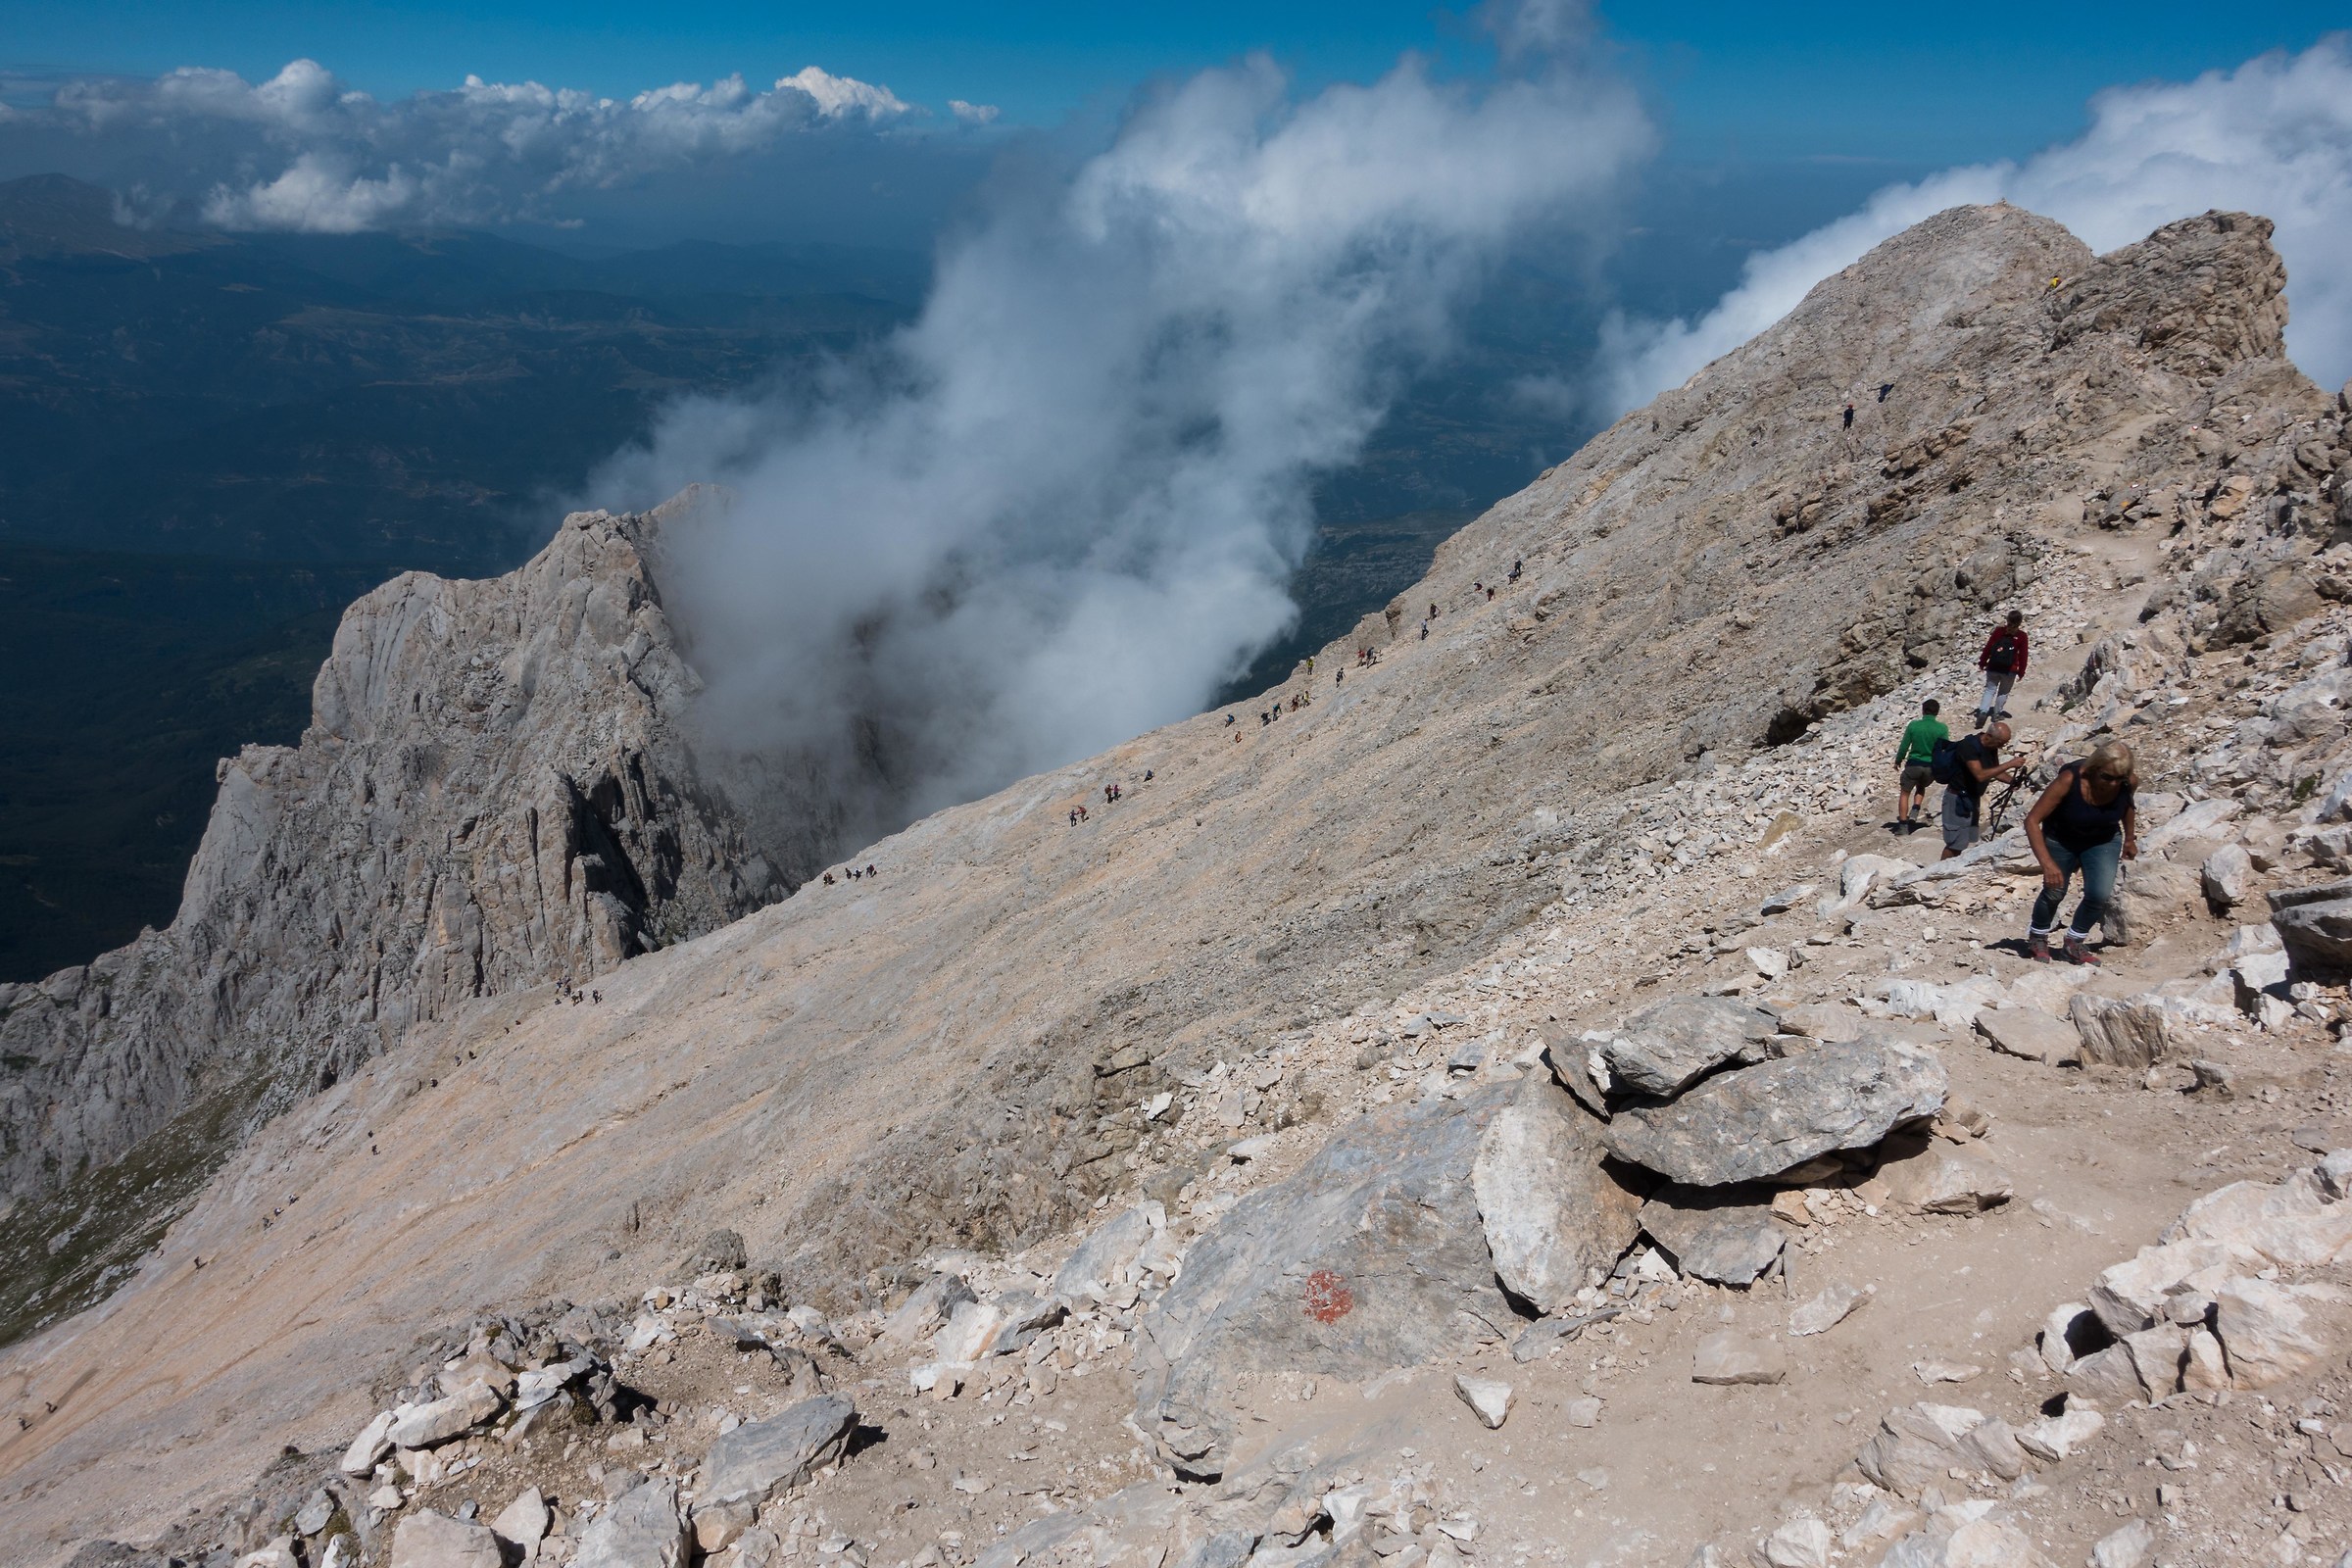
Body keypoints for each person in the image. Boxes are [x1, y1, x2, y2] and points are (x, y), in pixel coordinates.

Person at [2022, 741, 2137, 964]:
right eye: (2107, 777)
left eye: (2119, 779)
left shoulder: (2128, 783)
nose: (2113, 784)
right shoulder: (2069, 780)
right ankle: (2038, 937)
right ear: (2094, 769)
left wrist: (2130, 838)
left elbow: (2128, 805)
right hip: (2061, 839)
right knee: (2055, 890)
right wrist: (2047, 864)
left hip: (2102, 839)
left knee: (2099, 894)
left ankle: (2075, 942)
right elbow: (2032, 821)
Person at [1940, 720, 2030, 858]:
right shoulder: (1968, 746)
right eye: (2000, 743)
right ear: (1989, 736)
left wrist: (2012, 781)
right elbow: (1980, 775)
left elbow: (1995, 771)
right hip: (1958, 799)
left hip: (1972, 798)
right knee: (1955, 844)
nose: (2001, 746)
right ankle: (1941, 870)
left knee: (1965, 841)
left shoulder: (1991, 748)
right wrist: (2010, 764)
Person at [1893, 699, 1947, 832]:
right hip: (1930, 767)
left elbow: (1904, 746)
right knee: (1921, 786)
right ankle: (1915, 810)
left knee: (1905, 793)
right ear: (1937, 712)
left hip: (1913, 765)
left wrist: (1898, 760)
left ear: (1923, 710)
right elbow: (1944, 749)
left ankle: (1903, 825)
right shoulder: (1942, 728)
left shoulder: (1913, 725)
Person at [1975, 611, 2029, 727]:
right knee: (2003, 692)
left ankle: (1983, 711)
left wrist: (1982, 662)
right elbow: (2023, 655)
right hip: (2010, 670)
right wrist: (2021, 672)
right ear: (2020, 622)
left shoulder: (1999, 631)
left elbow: (1988, 647)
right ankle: (1997, 714)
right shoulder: (2022, 636)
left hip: (1993, 666)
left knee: (1989, 690)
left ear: (2007, 619)